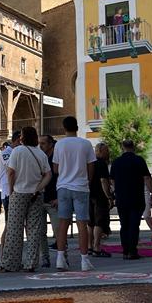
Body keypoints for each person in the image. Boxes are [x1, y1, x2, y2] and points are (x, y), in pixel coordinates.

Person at [0, 127, 51, 273]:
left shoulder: (17, 151)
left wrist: (11, 189)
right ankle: (30, 263)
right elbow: (48, 174)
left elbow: (11, 172)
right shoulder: (40, 154)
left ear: (23, 138)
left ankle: (10, 263)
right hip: (35, 195)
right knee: (34, 229)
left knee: (14, 229)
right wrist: (38, 188)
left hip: (19, 192)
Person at [53, 116, 97, 272]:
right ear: (77, 127)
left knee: (63, 223)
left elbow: (56, 169)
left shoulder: (59, 145)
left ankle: (60, 258)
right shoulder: (85, 144)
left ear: (64, 127)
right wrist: (88, 181)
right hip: (80, 186)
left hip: (63, 186)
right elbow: (91, 166)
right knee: (82, 224)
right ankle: (84, 260)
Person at [110, 139, 152, 259]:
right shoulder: (139, 160)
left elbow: (112, 180)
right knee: (134, 224)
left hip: (121, 197)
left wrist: (116, 191)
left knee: (124, 224)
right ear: (133, 147)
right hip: (136, 196)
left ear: (123, 147)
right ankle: (132, 251)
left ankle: (125, 251)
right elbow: (147, 178)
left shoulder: (116, 162)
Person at [88, 143, 113, 256]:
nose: (108, 153)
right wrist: (109, 196)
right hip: (99, 196)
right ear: (100, 151)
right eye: (106, 150)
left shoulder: (90, 162)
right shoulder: (101, 164)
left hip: (89, 194)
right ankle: (96, 247)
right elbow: (103, 181)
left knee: (90, 222)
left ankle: (89, 246)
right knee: (99, 222)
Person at [38, 134, 59, 268]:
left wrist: (59, 197)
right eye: (39, 143)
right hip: (40, 199)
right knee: (40, 232)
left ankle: (63, 257)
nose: (40, 146)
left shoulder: (56, 159)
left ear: (51, 144)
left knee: (58, 230)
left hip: (53, 200)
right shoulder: (39, 158)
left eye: (43, 143)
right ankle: (45, 257)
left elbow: (61, 178)